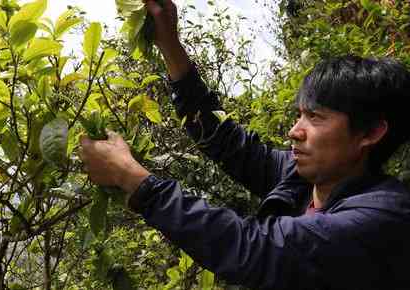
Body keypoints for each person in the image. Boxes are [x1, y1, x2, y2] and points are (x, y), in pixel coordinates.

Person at [79, 0, 410, 289]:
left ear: (371, 133)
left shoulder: (383, 219)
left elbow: (254, 249)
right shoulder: (300, 178)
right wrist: (169, 43)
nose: (295, 131)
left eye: (316, 118)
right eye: (299, 116)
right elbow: (222, 138)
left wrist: (134, 180)